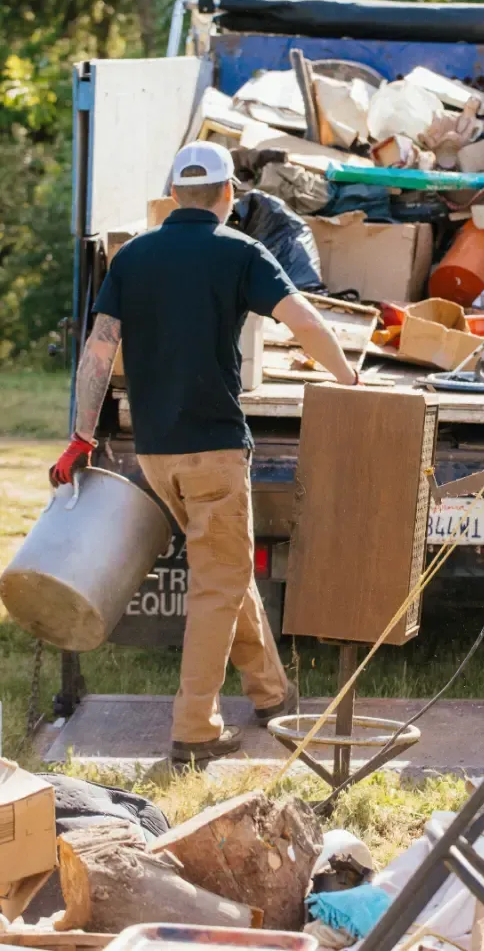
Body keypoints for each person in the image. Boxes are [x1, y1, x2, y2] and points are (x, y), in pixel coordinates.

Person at [50, 141, 359, 763]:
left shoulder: (133, 256)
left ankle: (271, 693)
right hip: (214, 447)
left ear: (175, 196)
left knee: (226, 570)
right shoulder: (239, 250)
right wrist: (351, 382)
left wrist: (82, 434)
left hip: (157, 453)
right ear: (228, 196)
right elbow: (303, 320)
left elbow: (99, 349)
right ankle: (195, 728)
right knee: (218, 584)